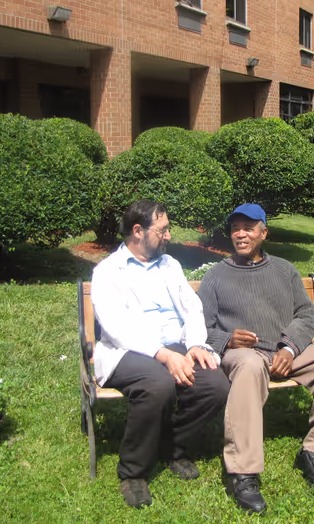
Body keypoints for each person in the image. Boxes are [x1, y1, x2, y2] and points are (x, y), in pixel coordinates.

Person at [198, 203, 314, 514]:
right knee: (248, 365)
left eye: (248, 227)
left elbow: (305, 314)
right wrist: (227, 339)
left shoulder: (284, 270)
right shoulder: (215, 276)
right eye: (235, 228)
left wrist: (289, 348)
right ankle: (243, 472)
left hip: (285, 352)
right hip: (245, 354)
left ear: (263, 232)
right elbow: (199, 328)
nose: (240, 233)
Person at [91, 200, 230, 509]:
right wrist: (162, 355)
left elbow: (192, 308)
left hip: (176, 344)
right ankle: (134, 472)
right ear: (138, 231)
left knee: (216, 386)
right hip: (130, 350)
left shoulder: (170, 265)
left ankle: (174, 447)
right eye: (163, 229)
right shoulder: (108, 272)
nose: (168, 236)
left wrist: (195, 344)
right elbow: (115, 328)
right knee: (158, 385)